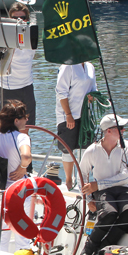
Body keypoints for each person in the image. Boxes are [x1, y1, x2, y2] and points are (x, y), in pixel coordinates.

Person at [78, 114, 128, 255]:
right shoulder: (92, 150)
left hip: (122, 189)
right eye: (120, 128)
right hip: (103, 192)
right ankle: (87, 250)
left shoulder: (127, 147)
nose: (124, 130)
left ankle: (102, 251)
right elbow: (81, 173)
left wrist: (99, 184)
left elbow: (126, 176)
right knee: (110, 214)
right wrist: (89, 199)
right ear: (108, 131)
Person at [55, 61, 96, 190]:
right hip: (68, 115)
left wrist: (92, 96)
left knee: (86, 147)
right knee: (68, 148)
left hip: (85, 115)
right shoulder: (68, 66)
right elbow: (61, 92)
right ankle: (68, 180)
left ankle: (83, 180)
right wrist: (68, 115)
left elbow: (94, 88)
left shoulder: (90, 67)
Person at [0, 3, 36, 127]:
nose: (19, 21)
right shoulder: (3, 37)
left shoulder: (31, 36)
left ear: (27, 19)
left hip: (27, 87)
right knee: (6, 129)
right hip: (9, 89)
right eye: (15, 19)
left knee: (25, 129)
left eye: (23, 18)